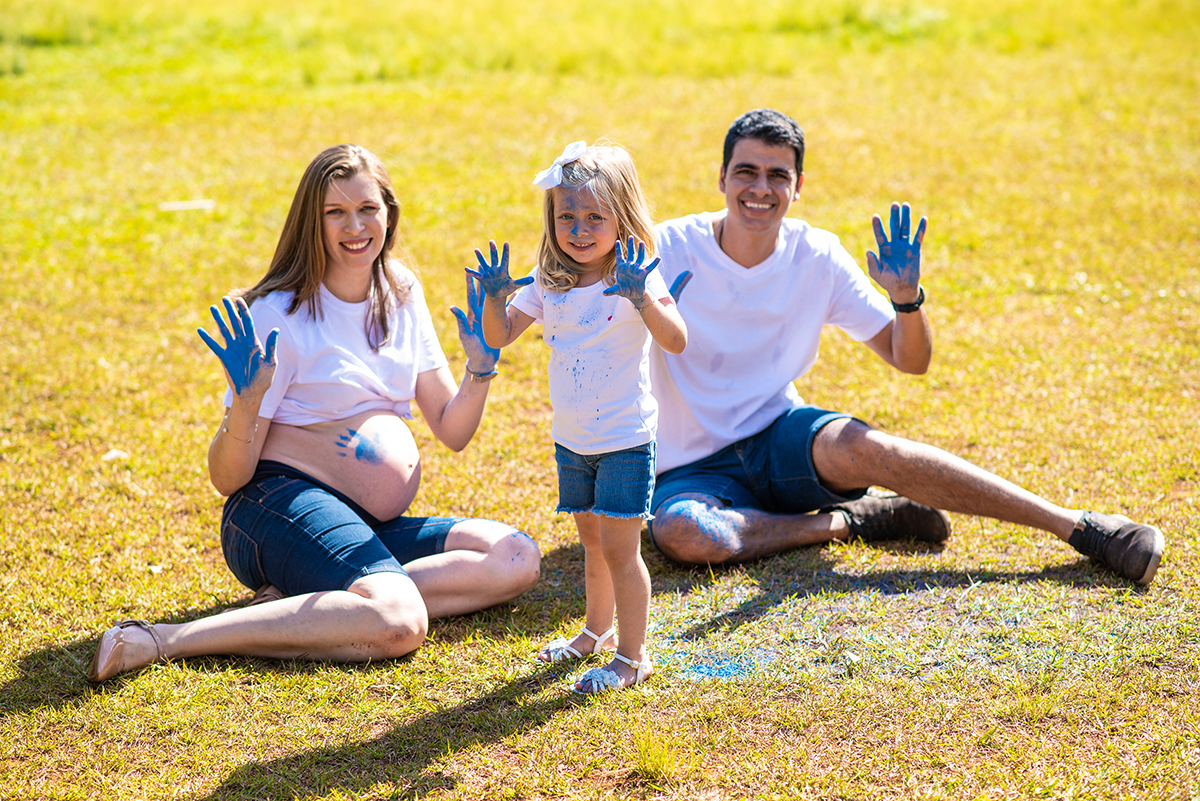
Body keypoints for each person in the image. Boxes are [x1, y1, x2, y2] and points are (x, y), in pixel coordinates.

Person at [645, 108, 1164, 585]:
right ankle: (850, 521)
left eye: (778, 175)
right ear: (721, 178)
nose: (761, 188)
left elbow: (909, 359)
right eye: (746, 172)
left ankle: (1080, 527)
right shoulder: (666, 248)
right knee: (685, 535)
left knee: (867, 448)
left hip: (778, 436)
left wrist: (906, 300)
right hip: (686, 470)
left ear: (798, 186)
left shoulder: (817, 255)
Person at [88, 144, 541, 682]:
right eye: (336, 212)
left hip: (363, 520)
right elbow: (226, 477)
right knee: (398, 620)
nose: (355, 226)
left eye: (368, 208)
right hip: (271, 505)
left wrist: (481, 366)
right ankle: (163, 640)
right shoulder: (278, 312)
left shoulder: (401, 291)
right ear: (313, 221)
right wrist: (249, 402)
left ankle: (318, 604)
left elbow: (453, 428)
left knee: (515, 557)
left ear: (388, 213)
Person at [468, 142, 688, 693]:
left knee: (620, 548)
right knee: (592, 543)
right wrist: (495, 300)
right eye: (567, 216)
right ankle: (595, 631)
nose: (580, 229)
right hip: (573, 438)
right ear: (551, 220)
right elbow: (498, 338)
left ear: (623, 220)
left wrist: (643, 300)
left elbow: (677, 341)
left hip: (623, 439)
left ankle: (632, 657)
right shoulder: (551, 280)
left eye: (595, 217)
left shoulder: (636, 277)